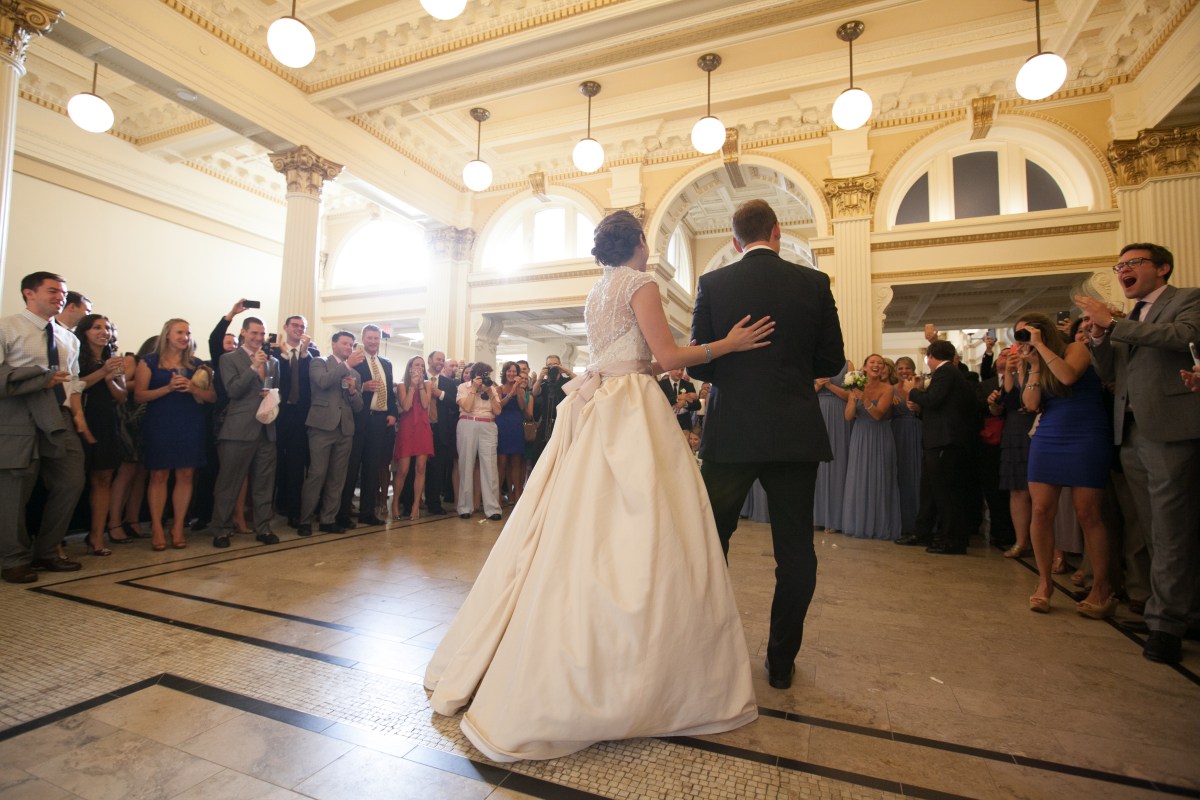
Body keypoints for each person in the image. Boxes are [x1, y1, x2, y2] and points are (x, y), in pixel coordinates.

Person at [425, 208, 771, 761]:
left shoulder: (598, 290)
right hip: (629, 411)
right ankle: (646, 668)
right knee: (648, 529)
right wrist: (726, 344)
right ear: (638, 242)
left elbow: (633, 358)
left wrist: (663, 362)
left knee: (582, 525)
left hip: (601, 400)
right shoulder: (641, 283)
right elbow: (666, 358)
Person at [689, 199, 845, 691]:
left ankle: (707, 656)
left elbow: (698, 365)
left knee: (711, 542)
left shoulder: (714, 284)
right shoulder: (814, 283)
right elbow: (833, 360)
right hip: (795, 434)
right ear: (778, 232)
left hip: (731, 433)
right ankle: (780, 664)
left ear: (735, 241)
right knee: (795, 550)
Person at [1078, 243, 1200, 664]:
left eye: (1133, 263)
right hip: (1128, 431)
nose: (1123, 270)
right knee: (1150, 529)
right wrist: (1098, 338)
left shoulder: (1187, 300)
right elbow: (1113, 374)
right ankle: (1176, 610)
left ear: (1162, 267)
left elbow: (1185, 338)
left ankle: (1166, 624)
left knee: (1172, 528)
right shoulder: (1128, 319)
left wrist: (1111, 322)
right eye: (1120, 265)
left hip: (1168, 428)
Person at [1015, 313, 1115, 616]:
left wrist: (1042, 349)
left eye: (1027, 334)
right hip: (1049, 433)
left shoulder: (1075, 348)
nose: (1023, 342)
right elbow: (1031, 405)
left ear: (1042, 331)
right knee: (1041, 510)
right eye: (1019, 336)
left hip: (1085, 432)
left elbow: (1069, 376)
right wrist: (1032, 366)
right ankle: (1044, 582)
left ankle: (1102, 587)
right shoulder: (1031, 362)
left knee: (1088, 513)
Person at [0, 272, 86, 583]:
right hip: (16, 416)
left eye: (62, 293)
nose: (60, 297)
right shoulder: (6, 327)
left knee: (71, 481)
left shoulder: (68, 338)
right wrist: (39, 377)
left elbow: (74, 383)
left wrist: (78, 417)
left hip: (58, 417)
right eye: (52, 291)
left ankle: (48, 550)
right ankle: (13, 559)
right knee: (13, 490)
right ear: (28, 293)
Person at [134, 318, 216, 550]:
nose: (184, 337)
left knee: (186, 474)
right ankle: (158, 527)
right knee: (159, 475)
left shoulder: (197, 365)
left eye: (188, 333)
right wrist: (167, 389)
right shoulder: (149, 362)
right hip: (160, 421)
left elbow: (212, 397)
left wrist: (192, 388)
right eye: (180, 332)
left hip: (190, 422)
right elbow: (139, 396)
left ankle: (178, 525)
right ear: (167, 335)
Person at [902, 340, 979, 555]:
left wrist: (912, 391)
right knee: (931, 490)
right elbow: (940, 407)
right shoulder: (949, 373)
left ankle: (952, 539)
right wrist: (919, 405)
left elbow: (934, 400)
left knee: (946, 492)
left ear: (930, 356)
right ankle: (924, 531)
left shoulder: (945, 372)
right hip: (938, 439)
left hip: (945, 440)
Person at [210, 317, 280, 548]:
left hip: (265, 428)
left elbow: (274, 389)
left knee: (264, 484)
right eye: (254, 333)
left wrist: (269, 393)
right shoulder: (228, 358)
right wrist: (253, 367)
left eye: (262, 334)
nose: (259, 338)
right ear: (243, 333)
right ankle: (220, 529)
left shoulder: (273, 362)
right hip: (239, 429)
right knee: (229, 483)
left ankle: (263, 528)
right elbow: (233, 390)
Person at [297, 331, 364, 537]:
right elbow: (323, 382)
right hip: (321, 427)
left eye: (351, 345)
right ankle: (305, 520)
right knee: (317, 474)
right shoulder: (319, 362)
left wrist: (353, 392)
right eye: (344, 343)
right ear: (334, 344)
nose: (348, 348)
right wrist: (346, 365)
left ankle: (328, 519)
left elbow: (359, 407)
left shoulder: (355, 374)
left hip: (345, 430)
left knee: (337, 477)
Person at [73, 314, 128, 556]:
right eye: (96, 327)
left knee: (104, 479)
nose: (103, 332)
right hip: (81, 420)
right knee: (73, 481)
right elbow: (74, 386)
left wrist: (109, 378)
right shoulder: (73, 355)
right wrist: (102, 372)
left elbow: (122, 396)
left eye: (107, 328)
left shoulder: (113, 359)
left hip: (107, 422)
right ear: (84, 331)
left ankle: (96, 535)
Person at [840, 354, 901, 539]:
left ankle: (879, 525)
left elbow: (878, 415)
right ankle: (858, 524)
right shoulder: (855, 385)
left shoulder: (888, 389)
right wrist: (853, 399)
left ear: (883, 369)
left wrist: (864, 399)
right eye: (872, 363)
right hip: (860, 435)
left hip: (880, 435)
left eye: (880, 364)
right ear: (865, 367)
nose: (876, 365)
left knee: (880, 478)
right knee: (859, 478)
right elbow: (848, 417)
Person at [340, 324, 395, 528]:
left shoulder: (386, 364)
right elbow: (344, 384)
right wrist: (362, 387)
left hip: (380, 421)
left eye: (376, 338)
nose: (373, 341)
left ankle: (367, 512)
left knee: (373, 468)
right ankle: (343, 512)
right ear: (363, 339)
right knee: (352, 467)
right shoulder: (354, 361)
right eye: (369, 338)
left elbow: (390, 391)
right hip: (359, 418)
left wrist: (392, 413)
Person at [272, 315, 319, 528]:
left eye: (302, 327)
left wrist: (303, 354)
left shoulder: (312, 356)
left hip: (301, 416)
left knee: (296, 465)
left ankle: (293, 511)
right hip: (278, 414)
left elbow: (310, 384)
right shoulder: (273, 353)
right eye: (295, 325)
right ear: (286, 328)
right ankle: (273, 506)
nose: (299, 329)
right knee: (273, 463)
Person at [455, 362, 502, 520]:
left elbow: (497, 410)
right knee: (466, 464)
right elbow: (467, 407)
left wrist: (489, 392)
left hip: (488, 425)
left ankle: (493, 508)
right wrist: (474, 389)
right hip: (468, 422)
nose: (484, 377)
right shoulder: (463, 387)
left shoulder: (492, 388)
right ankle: (464, 507)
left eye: (487, 374)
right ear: (474, 374)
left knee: (490, 466)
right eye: (482, 374)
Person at [391, 355, 435, 520]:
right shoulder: (402, 385)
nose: (419, 368)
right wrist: (412, 386)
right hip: (408, 427)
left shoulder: (428, 384)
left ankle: (416, 505)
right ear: (410, 367)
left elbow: (425, 404)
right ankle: (395, 502)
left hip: (423, 427)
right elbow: (406, 405)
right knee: (403, 469)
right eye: (416, 365)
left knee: (421, 467)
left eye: (422, 366)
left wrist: (421, 386)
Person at [813, 360, 852, 534]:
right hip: (815, 411)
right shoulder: (808, 361)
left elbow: (850, 396)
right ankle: (816, 517)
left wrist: (829, 385)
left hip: (839, 414)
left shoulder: (847, 365)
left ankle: (836, 519)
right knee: (816, 467)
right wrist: (818, 387)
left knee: (838, 464)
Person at [891, 356, 922, 535]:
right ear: (896, 371)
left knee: (917, 475)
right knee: (900, 475)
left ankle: (919, 522)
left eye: (907, 368)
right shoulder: (891, 390)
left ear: (913, 369)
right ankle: (902, 522)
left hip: (917, 431)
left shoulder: (920, 387)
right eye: (900, 369)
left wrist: (919, 407)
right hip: (897, 433)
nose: (904, 372)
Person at [495, 361, 532, 505]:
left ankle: (517, 493)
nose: (511, 374)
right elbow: (500, 406)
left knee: (516, 461)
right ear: (504, 373)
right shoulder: (498, 388)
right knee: (502, 462)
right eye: (509, 371)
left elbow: (522, 407)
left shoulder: (521, 390)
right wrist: (511, 392)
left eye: (514, 372)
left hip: (516, 425)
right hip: (503, 424)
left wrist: (518, 391)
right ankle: (498, 493)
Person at [425, 351, 456, 515]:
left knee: (437, 469)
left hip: (439, 429)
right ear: (430, 360)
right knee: (417, 467)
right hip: (420, 428)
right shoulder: (419, 377)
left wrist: (441, 394)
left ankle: (434, 503)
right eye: (438, 359)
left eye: (443, 360)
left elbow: (455, 404)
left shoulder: (448, 383)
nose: (441, 362)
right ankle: (410, 503)